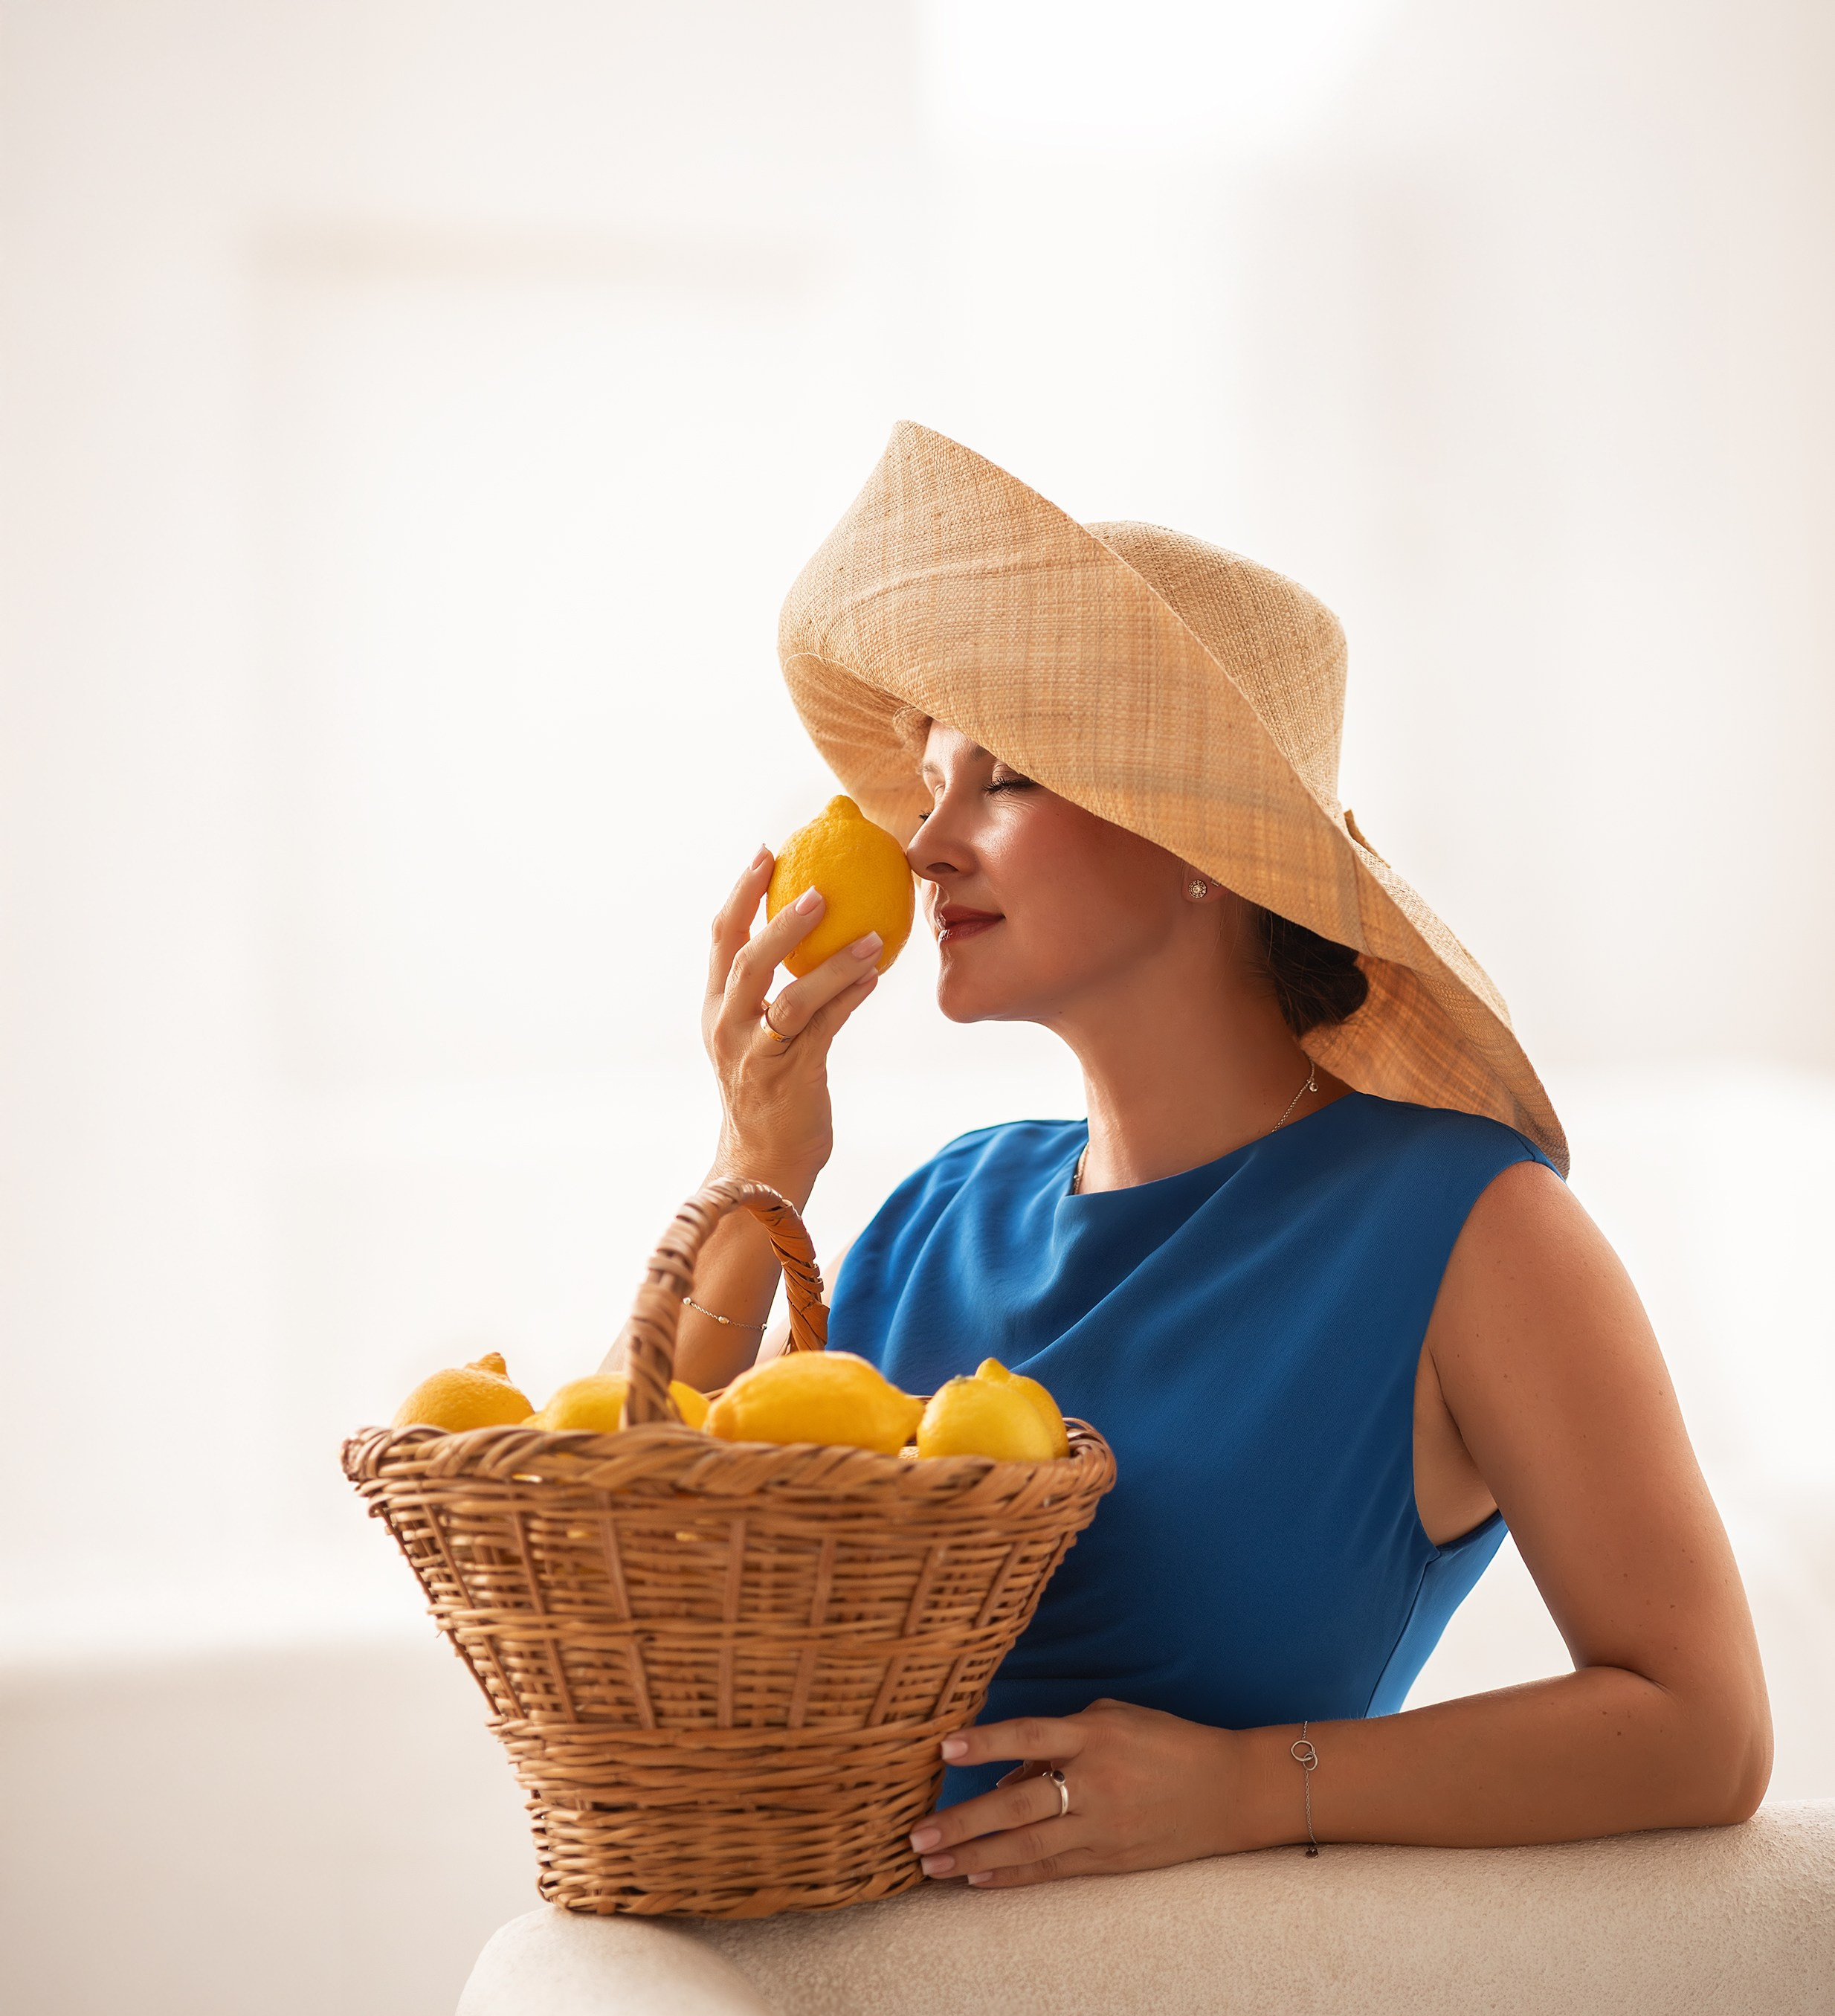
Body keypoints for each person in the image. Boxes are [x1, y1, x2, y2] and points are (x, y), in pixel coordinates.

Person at [643, 421, 1770, 1889]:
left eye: (1002, 781)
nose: (922, 846)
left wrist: (1249, 1787)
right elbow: (658, 1580)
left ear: (1198, 837)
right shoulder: (930, 1217)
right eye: (929, 786)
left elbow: (1702, 1732)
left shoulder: (1468, 1230)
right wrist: (759, 1158)